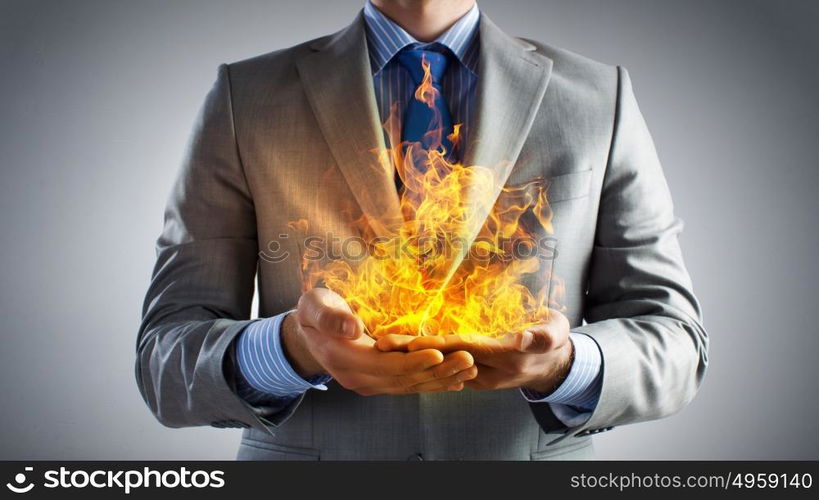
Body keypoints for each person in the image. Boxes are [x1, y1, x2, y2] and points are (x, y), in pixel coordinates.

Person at [136, 0, 708, 460]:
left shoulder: (597, 98)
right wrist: (291, 350)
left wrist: (562, 364)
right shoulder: (248, 96)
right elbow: (165, 359)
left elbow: (675, 342)